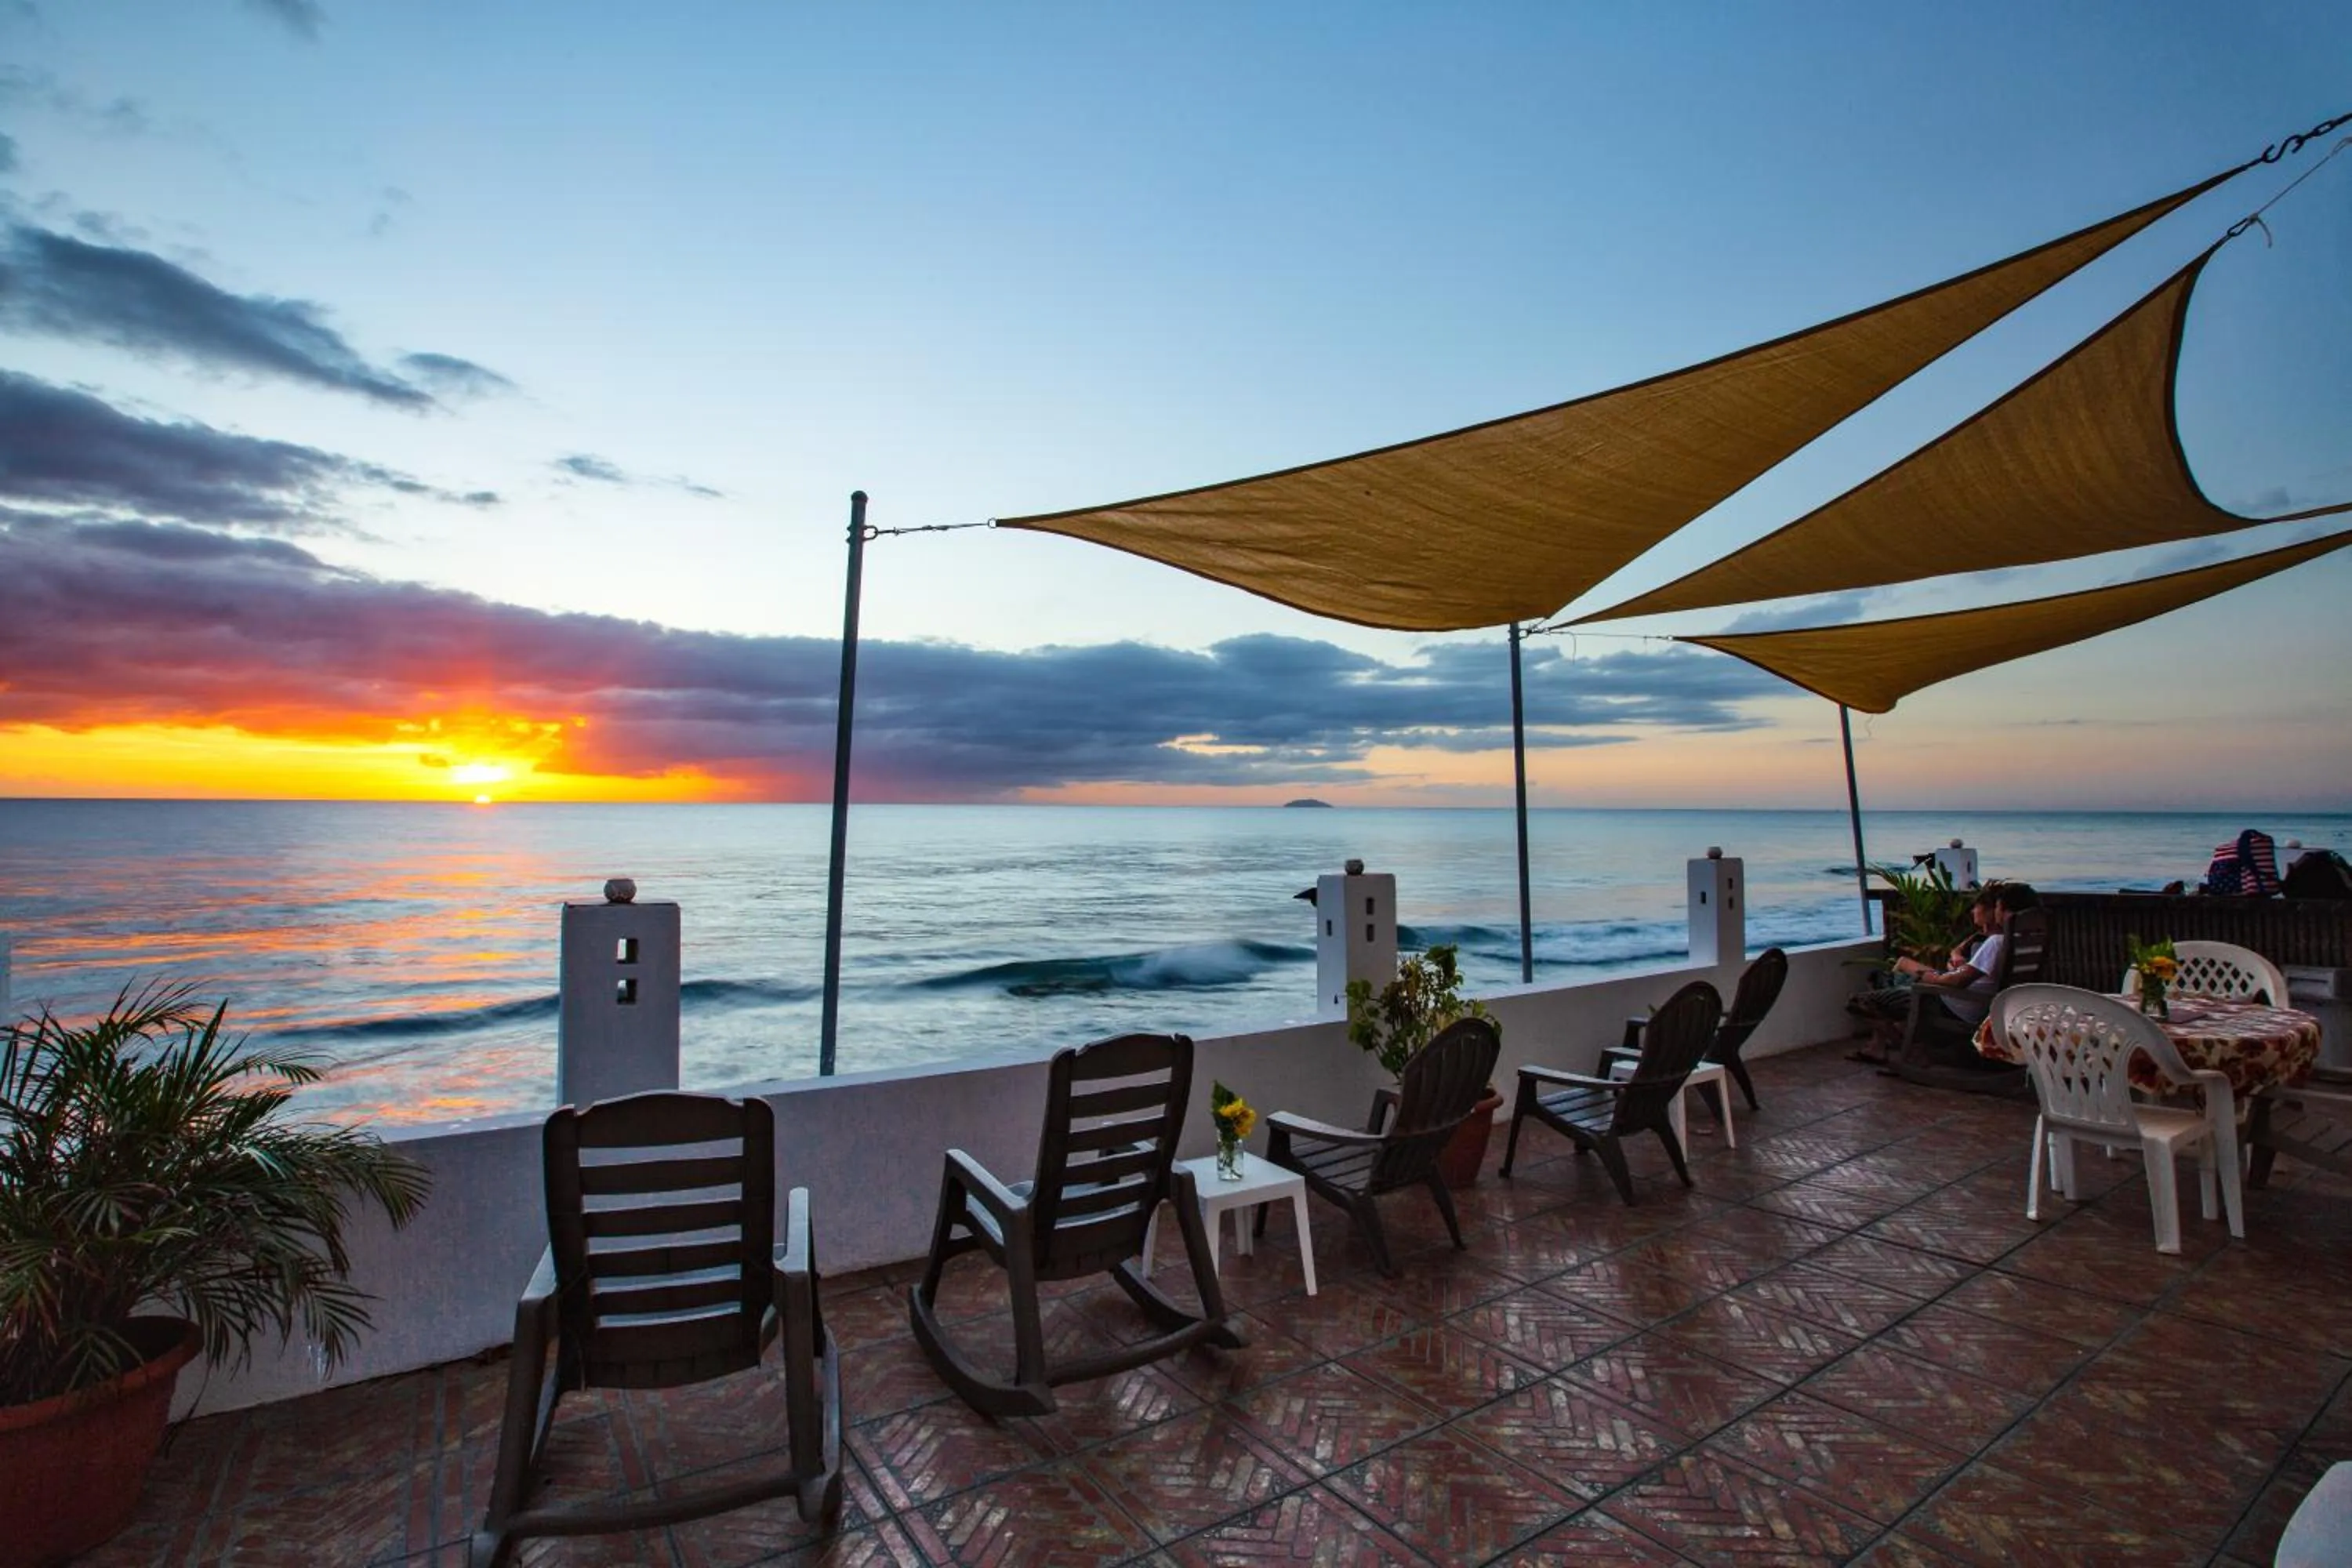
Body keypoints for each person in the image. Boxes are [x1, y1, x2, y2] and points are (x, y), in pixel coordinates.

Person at [1849, 882, 2039, 1063]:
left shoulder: (1996, 942)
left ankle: (1908, 1047)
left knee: (1859, 1001)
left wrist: (1928, 978)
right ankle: (1888, 1044)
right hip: (1977, 1005)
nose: (1996, 911)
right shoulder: (2024, 942)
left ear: (2005, 912)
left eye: (1998, 906)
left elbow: (1958, 982)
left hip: (1950, 1006)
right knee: (1892, 979)